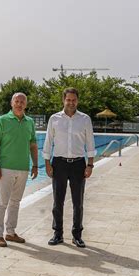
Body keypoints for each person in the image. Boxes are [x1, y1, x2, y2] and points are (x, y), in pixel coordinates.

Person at [42, 87, 96, 248]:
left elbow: (90, 142)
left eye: (74, 100)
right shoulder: (54, 118)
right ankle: (57, 234)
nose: (71, 103)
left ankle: (77, 235)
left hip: (78, 164)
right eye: (68, 100)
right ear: (63, 100)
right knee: (57, 202)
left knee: (78, 203)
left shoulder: (85, 119)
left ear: (77, 101)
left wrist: (90, 164)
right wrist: (47, 163)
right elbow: (48, 141)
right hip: (58, 163)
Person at [0, 92, 38, 247]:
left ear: (26, 104)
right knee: (2, 202)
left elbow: (32, 145)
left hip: (23, 168)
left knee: (15, 202)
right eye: (17, 101)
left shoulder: (30, 122)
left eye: (22, 102)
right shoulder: (2, 120)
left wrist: (36, 165)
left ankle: (10, 232)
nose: (19, 104)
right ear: (12, 103)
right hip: (5, 168)